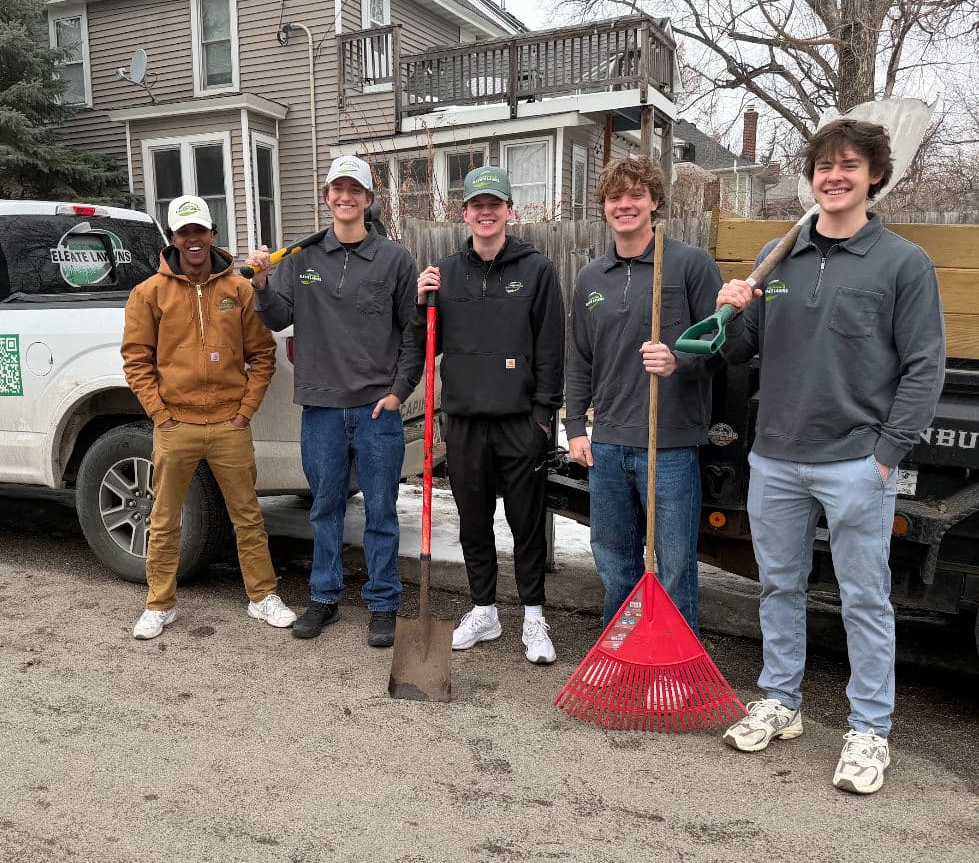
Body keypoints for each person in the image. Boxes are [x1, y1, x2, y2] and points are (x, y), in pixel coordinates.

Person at [717, 119, 945, 795]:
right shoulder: (777, 254)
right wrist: (729, 310)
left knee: (863, 598)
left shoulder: (901, 263)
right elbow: (734, 355)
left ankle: (869, 728)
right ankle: (779, 701)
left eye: (849, 165)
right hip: (776, 457)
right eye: (823, 165)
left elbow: (923, 368)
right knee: (778, 585)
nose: (833, 176)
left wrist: (884, 456)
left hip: (854, 461)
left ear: (874, 175)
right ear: (809, 176)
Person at [245, 155, 422, 648]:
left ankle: (383, 601)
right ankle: (323, 597)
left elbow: (414, 333)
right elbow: (277, 318)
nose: (345, 197)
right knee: (325, 507)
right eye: (336, 189)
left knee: (383, 510)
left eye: (355, 190)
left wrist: (398, 392)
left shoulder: (394, 260)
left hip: (374, 410)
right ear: (327, 196)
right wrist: (260, 284)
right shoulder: (301, 259)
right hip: (320, 407)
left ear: (368, 199)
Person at [121, 195, 296, 641]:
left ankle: (262, 597)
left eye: (200, 231)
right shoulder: (148, 294)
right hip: (174, 426)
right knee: (163, 518)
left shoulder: (238, 290)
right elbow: (136, 361)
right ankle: (159, 604)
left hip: (227, 426)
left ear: (212, 234)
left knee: (247, 515)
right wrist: (160, 416)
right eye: (184, 233)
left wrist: (244, 413)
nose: (193, 240)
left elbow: (262, 354)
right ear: (173, 238)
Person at [564, 156, 723, 636]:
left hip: (670, 443)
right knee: (614, 559)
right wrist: (575, 427)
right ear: (604, 207)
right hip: (609, 441)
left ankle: (674, 663)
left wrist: (680, 361)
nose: (625, 204)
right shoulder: (591, 278)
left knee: (674, 564)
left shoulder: (689, 265)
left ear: (655, 202)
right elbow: (579, 358)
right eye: (615, 197)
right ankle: (624, 653)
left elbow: (722, 348)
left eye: (636, 195)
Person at [415, 166, 564, 664]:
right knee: (474, 524)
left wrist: (544, 417)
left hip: (521, 421)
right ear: (465, 213)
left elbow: (550, 350)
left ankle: (534, 616)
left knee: (525, 524)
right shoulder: (444, 273)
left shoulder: (536, 271)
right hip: (465, 423)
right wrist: (421, 304)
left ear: (508, 211)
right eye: (477, 204)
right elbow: (423, 346)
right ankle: (484, 609)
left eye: (494, 203)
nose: (485, 212)